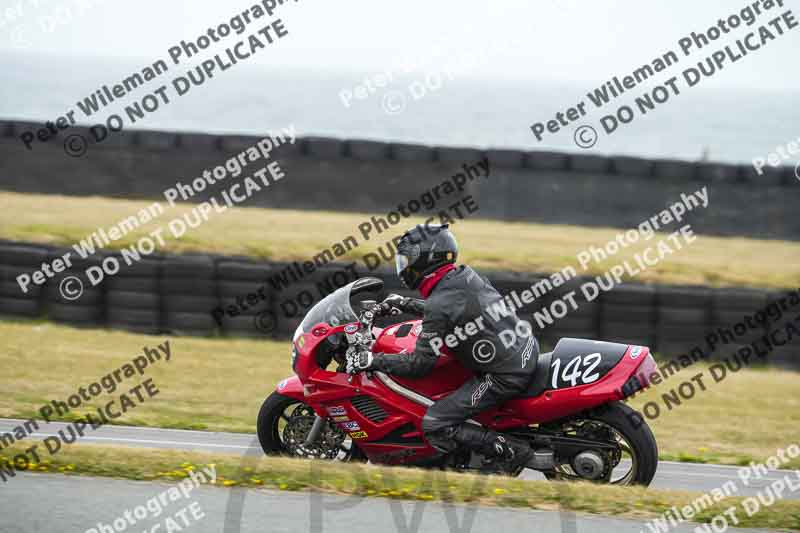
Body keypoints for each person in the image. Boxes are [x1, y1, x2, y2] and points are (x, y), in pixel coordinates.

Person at [345, 223, 540, 470]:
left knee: (436, 423)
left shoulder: (440, 302)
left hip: (504, 375)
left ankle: (517, 453)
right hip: (523, 350)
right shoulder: (464, 277)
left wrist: (372, 361)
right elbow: (454, 310)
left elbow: (419, 364)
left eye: (407, 260)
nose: (403, 266)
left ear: (424, 260)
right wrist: (405, 303)